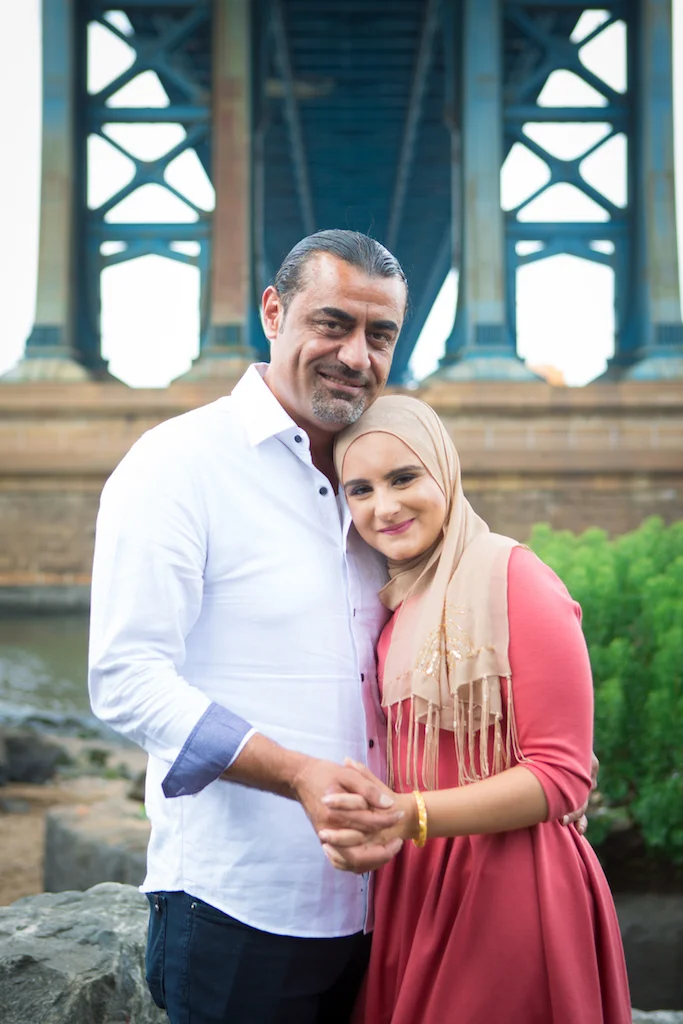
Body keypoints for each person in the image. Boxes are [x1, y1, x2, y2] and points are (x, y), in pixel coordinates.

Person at [88, 230, 591, 1024]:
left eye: (379, 334)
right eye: (332, 323)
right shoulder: (177, 464)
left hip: (394, 905)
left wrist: (530, 778)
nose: (355, 355)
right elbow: (126, 678)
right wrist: (296, 774)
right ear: (273, 311)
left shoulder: (377, 492)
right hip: (243, 903)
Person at [319, 394, 631, 1024]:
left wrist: (407, 816)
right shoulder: (394, 602)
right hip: (416, 882)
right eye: (361, 490)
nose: (385, 507)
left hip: (511, 882)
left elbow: (562, 776)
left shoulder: (515, 576)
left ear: (445, 472)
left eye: (404, 478)